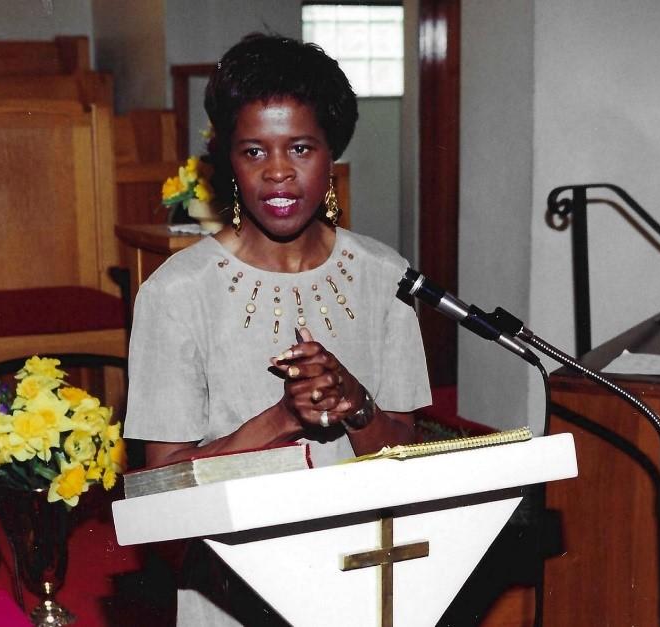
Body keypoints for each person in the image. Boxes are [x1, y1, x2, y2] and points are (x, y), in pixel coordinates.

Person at [124, 33, 432, 626]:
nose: (279, 174)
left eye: (300, 147)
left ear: (332, 152)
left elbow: (406, 455)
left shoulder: (386, 277)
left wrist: (358, 407)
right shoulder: (177, 292)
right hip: (234, 580)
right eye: (254, 152)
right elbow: (161, 487)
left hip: (362, 571)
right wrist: (282, 419)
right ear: (228, 161)